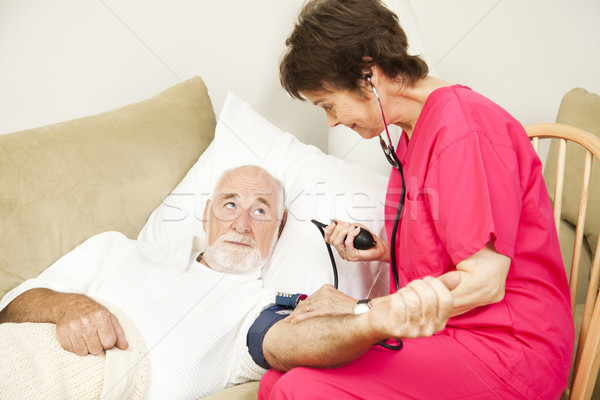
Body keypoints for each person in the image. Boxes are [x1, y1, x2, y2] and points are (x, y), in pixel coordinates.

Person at [253, 1, 574, 399]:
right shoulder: (410, 136)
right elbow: (454, 245)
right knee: (276, 380)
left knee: (302, 388)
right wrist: (384, 250)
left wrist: (361, 312)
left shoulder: (463, 130)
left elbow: (486, 282)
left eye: (329, 104)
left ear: (367, 75)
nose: (332, 121)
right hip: (448, 335)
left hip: (508, 351)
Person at [0, 165, 288, 400]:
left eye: (260, 211)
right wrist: (66, 306)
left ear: (281, 224)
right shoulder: (115, 248)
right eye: (230, 205)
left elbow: (305, 339)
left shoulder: (258, 308)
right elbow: (10, 308)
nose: (241, 224)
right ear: (206, 214)